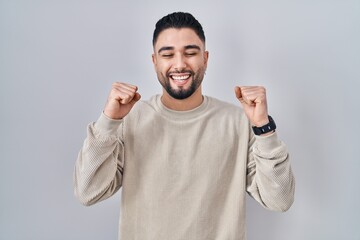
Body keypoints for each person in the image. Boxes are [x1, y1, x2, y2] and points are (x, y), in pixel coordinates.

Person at [74, 12, 295, 240]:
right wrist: (108, 122)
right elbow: (88, 192)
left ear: (205, 59)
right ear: (154, 61)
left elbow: (279, 201)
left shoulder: (237, 122)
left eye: (190, 53)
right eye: (168, 54)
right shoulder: (130, 120)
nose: (179, 64)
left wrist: (263, 128)